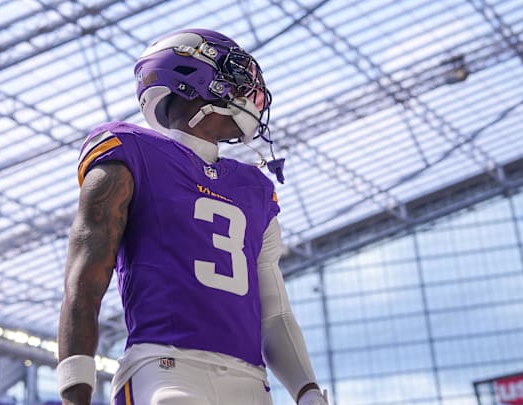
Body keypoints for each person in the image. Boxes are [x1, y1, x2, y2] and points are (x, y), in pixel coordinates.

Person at [57, 28, 328, 405]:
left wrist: (308, 390)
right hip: (166, 369)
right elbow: (85, 280)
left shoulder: (255, 187)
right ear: (190, 72)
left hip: (252, 381)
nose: (251, 90)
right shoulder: (131, 150)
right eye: (236, 72)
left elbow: (274, 312)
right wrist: (75, 391)